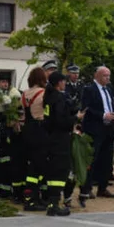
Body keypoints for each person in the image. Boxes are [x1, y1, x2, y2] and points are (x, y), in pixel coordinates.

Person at [80, 66, 114, 206]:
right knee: (92, 159)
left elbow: (110, 105)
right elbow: (87, 108)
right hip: (95, 128)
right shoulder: (89, 89)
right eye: (104, 75)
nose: (107, 78)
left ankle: (102, 187)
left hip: (108, 129)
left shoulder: (108, 89)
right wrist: (103, 115)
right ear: (97, 76)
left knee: (106, 159)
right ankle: (87, 188)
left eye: (109, 75)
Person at [42, 71, 75, 216]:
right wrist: (75, 118)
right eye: (63, 81)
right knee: (61, 171)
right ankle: (54, 204)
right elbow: (61, 121)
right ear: (58, 82)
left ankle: (52, 203)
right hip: (60, 139)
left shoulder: (48, 97)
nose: (65, 83)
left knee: (53, 171)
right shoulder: (58, 98)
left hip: (50, 138)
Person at [20, 67, 49, 211]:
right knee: (38, 166)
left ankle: (31, 197)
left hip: (27, 130)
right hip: (40, 129)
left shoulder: (25, 94)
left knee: (32, 164)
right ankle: (32, 199)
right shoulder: (43, 93)